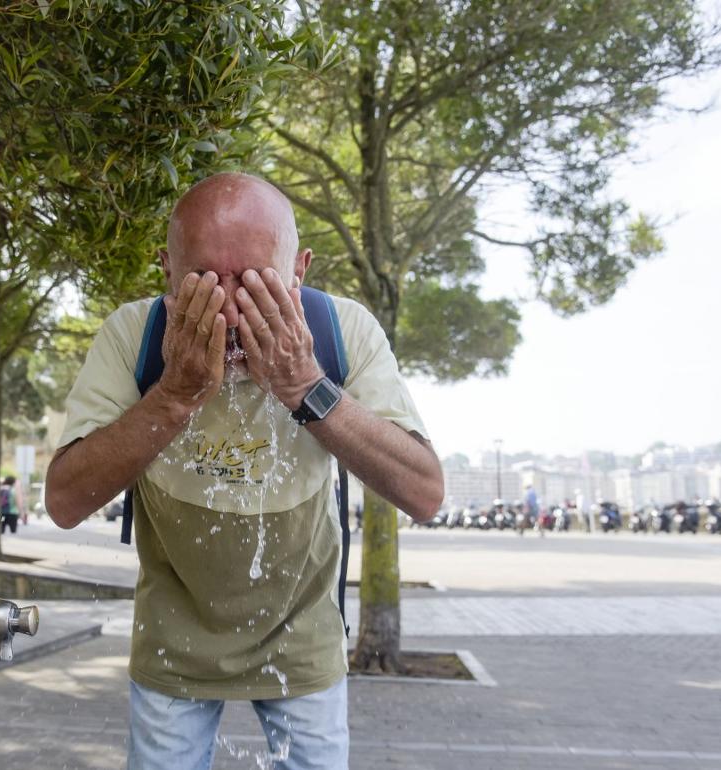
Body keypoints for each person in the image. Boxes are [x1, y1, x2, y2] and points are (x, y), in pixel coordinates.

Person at [45, 172, 444, 770]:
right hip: (173, 632)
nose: (230, 307)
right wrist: (173, 396)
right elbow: (65, 501)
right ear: (167, 271)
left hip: (301, 629)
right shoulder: (133, 336)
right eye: (205, 281)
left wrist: (306, 386)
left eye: (256, 281)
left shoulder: (344, 332)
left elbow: (424, 492)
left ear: (299, 270)